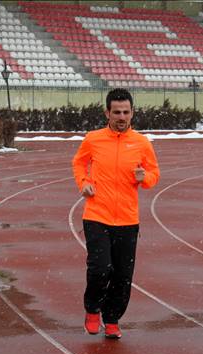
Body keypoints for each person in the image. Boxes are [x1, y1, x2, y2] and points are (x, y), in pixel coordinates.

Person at [72, 88, 160, 339]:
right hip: (97, 214)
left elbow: (154, 174)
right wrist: (84, 183)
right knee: (100, 269)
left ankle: (112, 318)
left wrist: (146, 178)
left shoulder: (142, 143)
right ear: (107, 113)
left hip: (128, 218)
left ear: (132, 113)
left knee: (123, 275)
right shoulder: (93, 138)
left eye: (126, 112)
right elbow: (79, 163)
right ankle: (92, 309)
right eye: (117, 112)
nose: (122, 116)